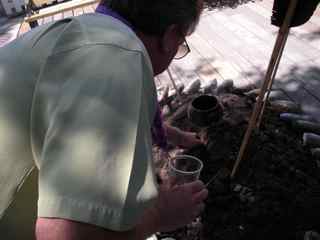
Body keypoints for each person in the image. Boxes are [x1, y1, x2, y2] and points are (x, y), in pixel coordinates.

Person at [0, 0, 208, 239]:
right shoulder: (118, 58)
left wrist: (178, 137)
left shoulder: (86, 33)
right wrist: (160, 215)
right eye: (181, 45)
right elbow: (64, 235)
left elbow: (84, 112)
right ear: (171, 37)